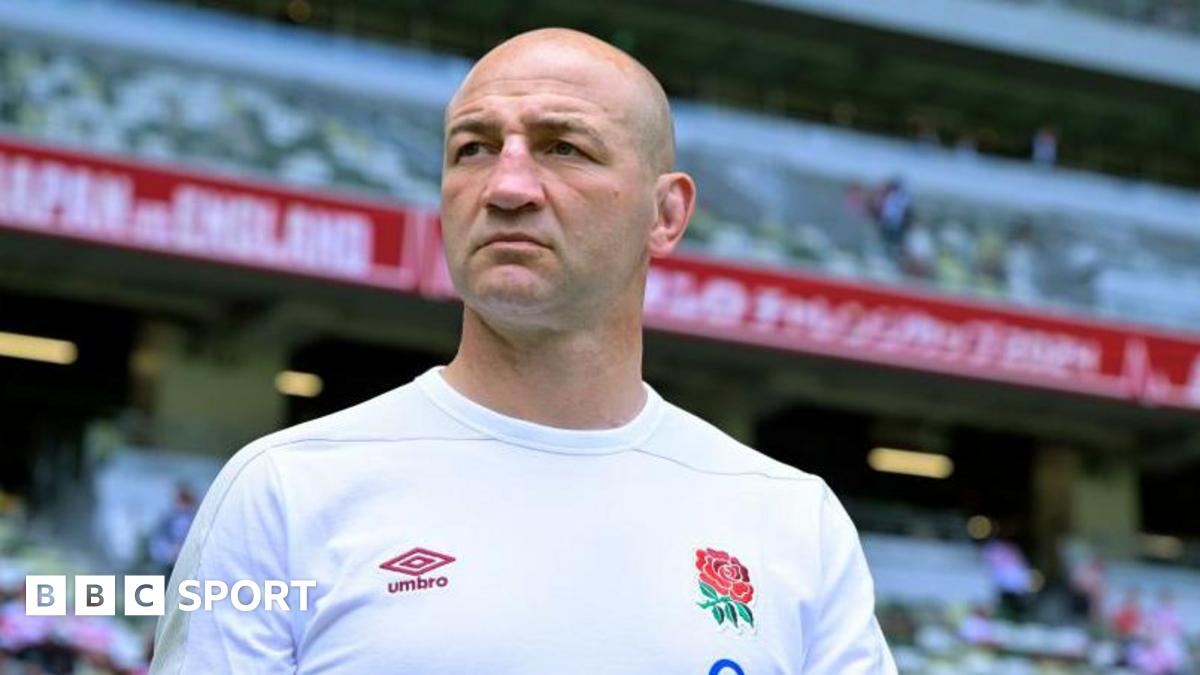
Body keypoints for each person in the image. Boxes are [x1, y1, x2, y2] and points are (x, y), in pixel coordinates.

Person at [150, 28, 896, 674]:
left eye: (562, 148)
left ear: (666, 213)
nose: (507, 186)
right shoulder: (285, 489)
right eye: (473, 149)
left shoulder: (791, 520)